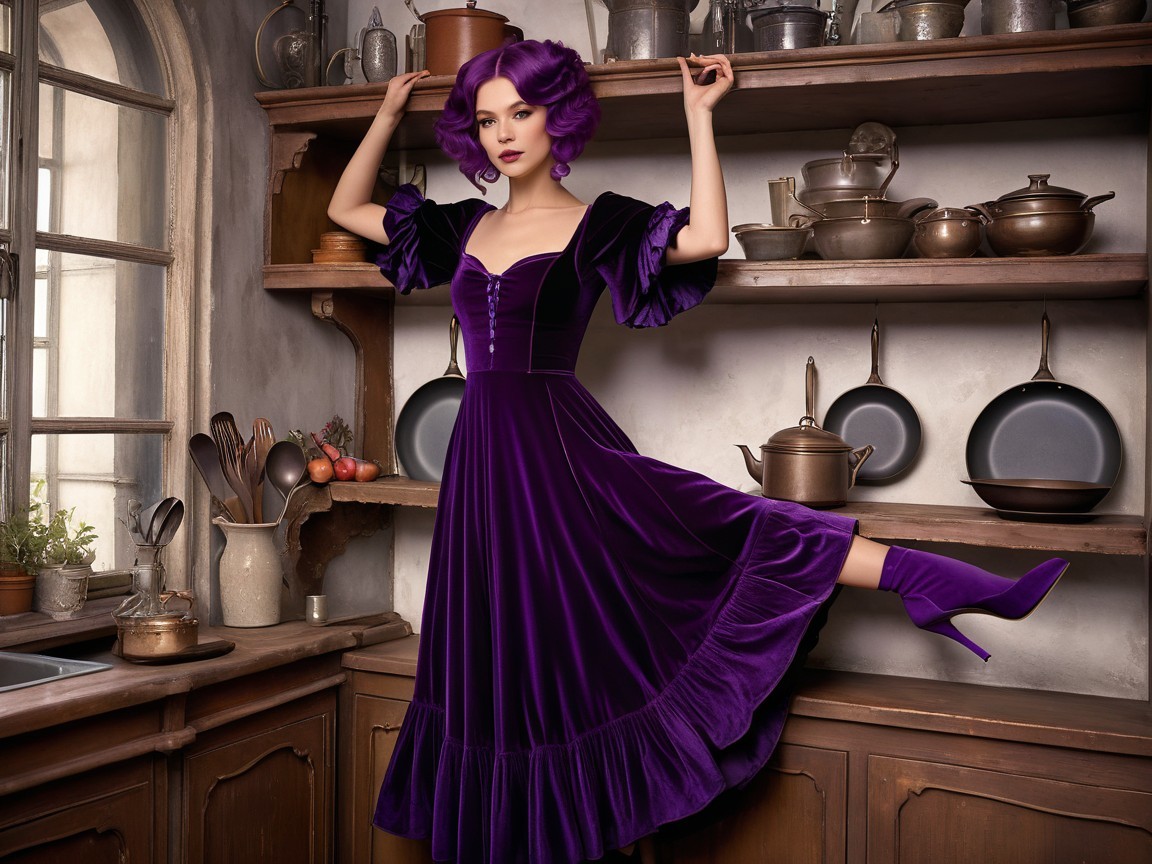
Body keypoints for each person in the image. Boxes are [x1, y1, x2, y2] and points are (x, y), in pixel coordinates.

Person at [328, 39, 1067, 864]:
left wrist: (699, 116)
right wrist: (389, 113)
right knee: (489, 655)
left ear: (557, 118)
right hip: (480, 466)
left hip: (557, 446)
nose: (505, 134)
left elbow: (709, 236)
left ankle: (924, 576)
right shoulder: (463, 224)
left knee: (725, 528)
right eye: (487, 119)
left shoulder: (596, 221)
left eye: (522, 113)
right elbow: (348, 210)